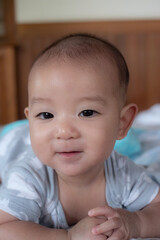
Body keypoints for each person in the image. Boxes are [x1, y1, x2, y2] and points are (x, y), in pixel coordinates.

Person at [0, 33, 160, 240]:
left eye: (87, 112)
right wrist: (68, 236)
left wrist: (137, 222)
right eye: (46, 115)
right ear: (31, 119)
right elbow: (4, 229)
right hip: (16, 150)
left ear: (122, 123)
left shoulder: (123, 174)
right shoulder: (28, 178)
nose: (64, 132)